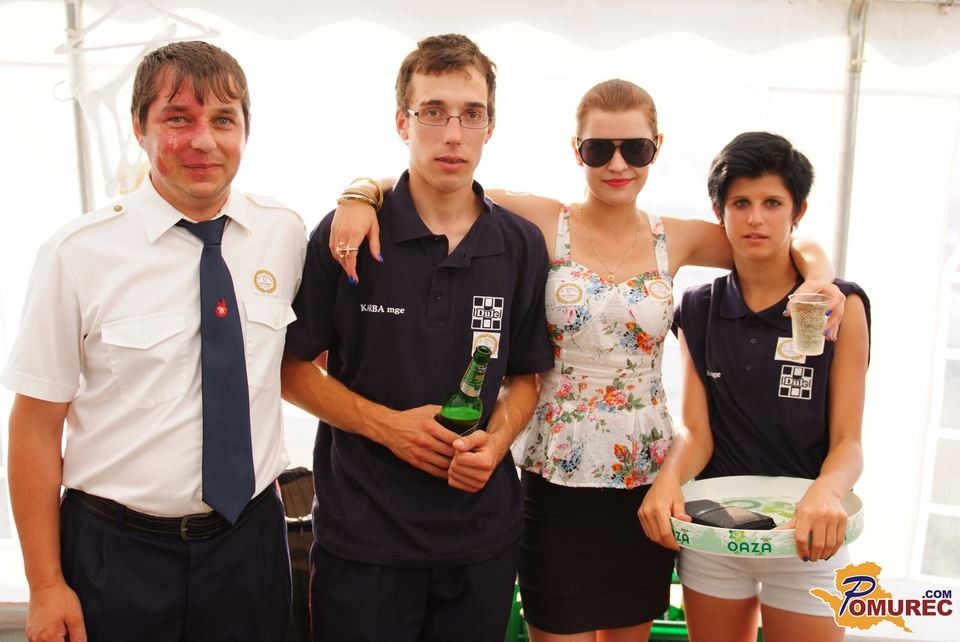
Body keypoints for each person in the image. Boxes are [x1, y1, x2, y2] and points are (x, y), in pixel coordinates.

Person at [328, 79, 843, 642]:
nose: (617, 165)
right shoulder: (544, 219)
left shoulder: (677, 238)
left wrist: (819, 277)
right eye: (599, 149)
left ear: (657, 148)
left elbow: (774, 236)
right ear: (577, 151)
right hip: (556, 472)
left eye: (635, 148)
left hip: (645, 478)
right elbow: (434, 182)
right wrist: (359, 194)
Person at [2, 41, 305, 642]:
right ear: (139, 128)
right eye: (178, 118)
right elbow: (35, 425)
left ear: (246, 130)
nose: (203, 141)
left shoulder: (285, 233)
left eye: (224, 120)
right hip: (116, 554)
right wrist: (45, 584)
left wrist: (363, 191)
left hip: (248, 549)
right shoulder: (77, 254)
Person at [279, 33, 554, 642]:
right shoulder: (347, 235)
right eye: (433, 112)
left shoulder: (519, 245)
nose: (453, 134)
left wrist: (497, 442)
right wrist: (389, 428)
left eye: (471, 114)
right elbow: (290, 371)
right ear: (402, 121)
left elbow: (526, 379)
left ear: (489, 127)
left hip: (480, 539)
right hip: (364, 537)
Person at [638, 131, 870, 642]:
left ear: (798, 211)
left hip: (808, 536)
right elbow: (696, 431)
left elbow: (848, 444)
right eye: (740, 203)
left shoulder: (838, 307)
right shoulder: (697, 307)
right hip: (715, 534)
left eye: (772, 203)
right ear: (718, 212)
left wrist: (827, 491)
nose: (755, 219)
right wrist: (668, 480)